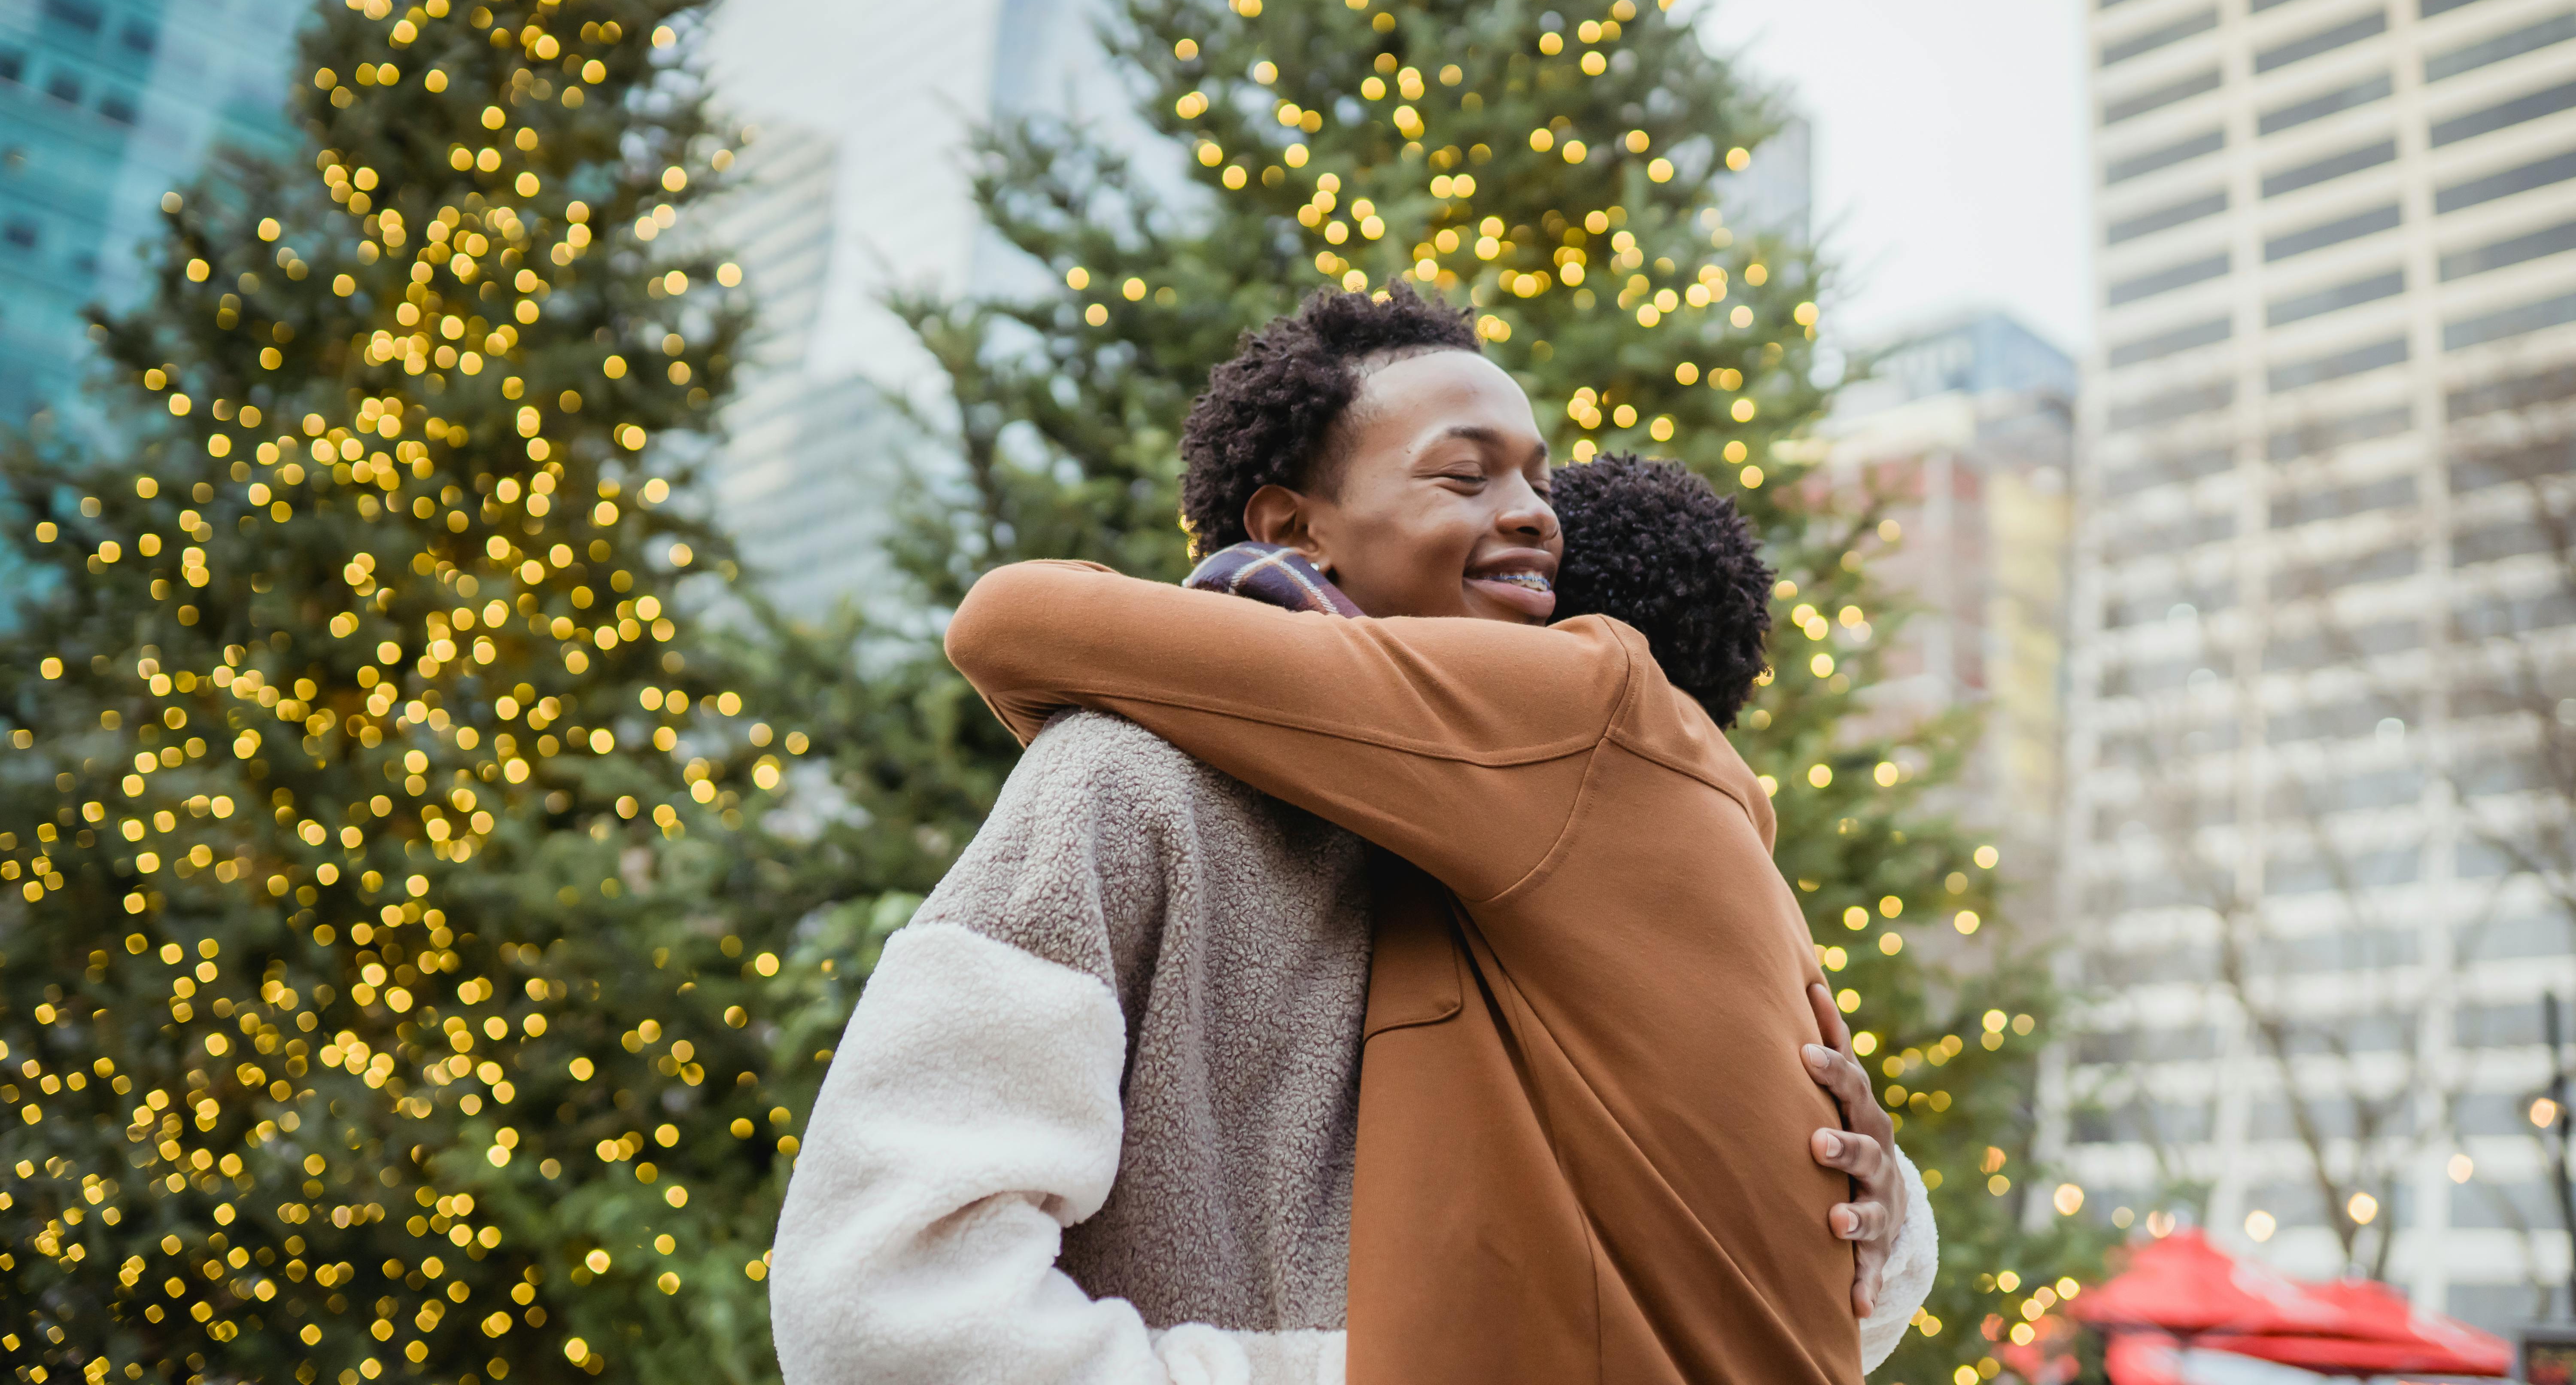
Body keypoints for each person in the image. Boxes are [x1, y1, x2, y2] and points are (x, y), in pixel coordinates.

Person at [769, 287, 1932, 1385]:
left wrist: (1884, 1225)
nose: (1531, 512)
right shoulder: (1127, 783)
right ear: (1294, 528)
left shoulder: (1580, 806)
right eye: (1464, 478)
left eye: (1539, 482)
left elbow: (1705, 1276)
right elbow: (885, 1297)